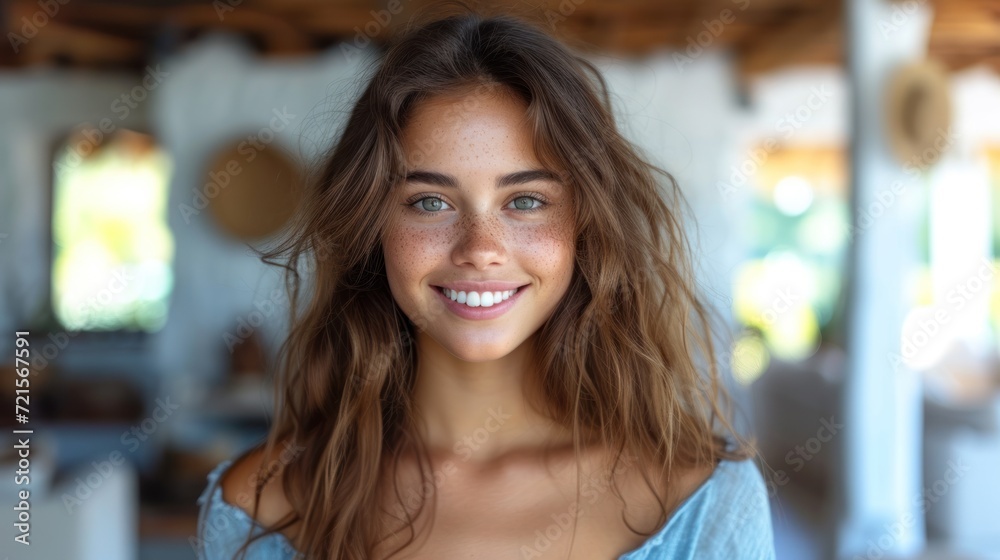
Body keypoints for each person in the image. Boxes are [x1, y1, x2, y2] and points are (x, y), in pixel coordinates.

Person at [195, 4, 776, 559]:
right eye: (429, 202)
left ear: (586, 226)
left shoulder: (699, 498)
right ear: (372, 228)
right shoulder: (261, 503)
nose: (480, 249)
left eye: (524, 200)